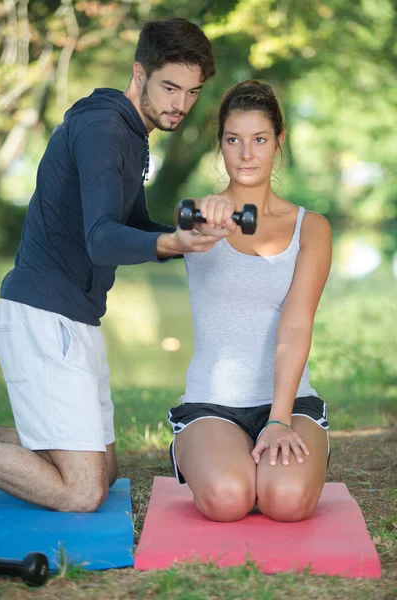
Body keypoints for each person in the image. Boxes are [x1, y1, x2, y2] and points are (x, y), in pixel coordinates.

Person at [0, 17, 238, 512]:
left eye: (192, 93)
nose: (180, 104)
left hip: (76, 316)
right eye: (170, 87)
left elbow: (131, 222)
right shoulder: (105, 128)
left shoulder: (129, 133)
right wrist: (173, 244)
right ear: (139, 73)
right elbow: (104, 240)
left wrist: (186, 234)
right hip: (45, 315)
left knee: (103, 473)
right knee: (83, 493)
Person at [168, 80, 332, 523]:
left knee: (287, 502)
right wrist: (203, 225)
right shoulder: (197, 218)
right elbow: (174, 238)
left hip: (290, 403)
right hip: (212, 404)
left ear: (279, 143)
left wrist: (279, 420)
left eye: (259, 139)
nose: (246, 154)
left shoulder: (310, 227)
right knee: (228, 499)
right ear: (219, 144)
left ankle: (288, 456)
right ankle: (201, 452)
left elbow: (296, 324)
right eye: (233, 140)